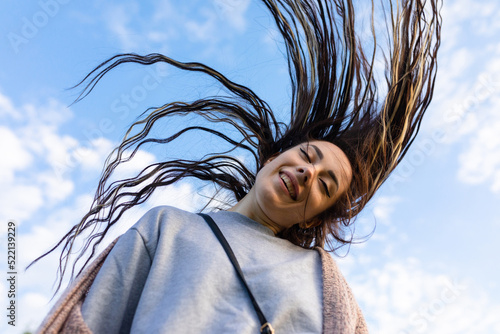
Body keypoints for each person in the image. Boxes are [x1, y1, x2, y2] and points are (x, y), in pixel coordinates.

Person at [32, 0, 441, 333]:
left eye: (325, 185)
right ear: (273, 156)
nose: (308, 173)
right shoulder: (166, 228)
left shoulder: (327, 286)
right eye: (308, 156)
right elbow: (90, 323)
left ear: (315, 219)